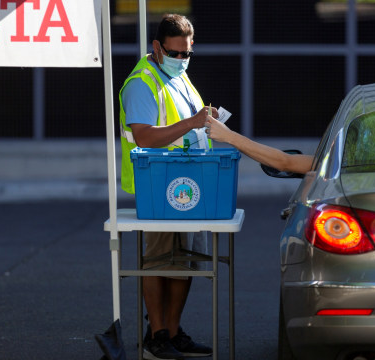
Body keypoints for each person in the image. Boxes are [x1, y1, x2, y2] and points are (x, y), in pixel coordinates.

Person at [118, 14, 216, 360]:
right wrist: (192, 121)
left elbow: (190, 125)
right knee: (159, 260)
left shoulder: (181, 78)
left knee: (184, 261)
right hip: (157, 186)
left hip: (186, 183)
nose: (180, 60)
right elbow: (144, 135)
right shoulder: (141, 83)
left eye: (186, 54)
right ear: (157, 47)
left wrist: (206, 120)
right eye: (174, 53)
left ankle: (173, 332)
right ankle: (157, 334)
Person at [205, 116, 314, 175]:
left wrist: (229, 136)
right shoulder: (330, 160)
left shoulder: (330, 163)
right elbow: (285, 161)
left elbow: (285, 162)